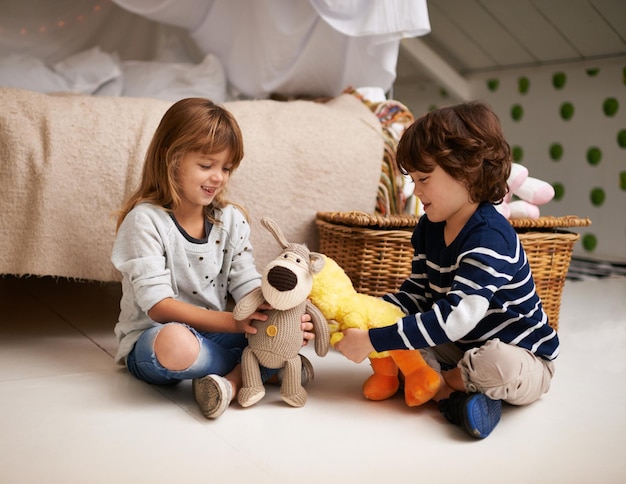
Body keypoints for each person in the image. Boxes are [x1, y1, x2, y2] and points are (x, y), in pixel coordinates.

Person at [335, 101, 559, 439]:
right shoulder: (429, 227)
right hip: (460, 347)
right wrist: (366, 314)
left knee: (497, 363)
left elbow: (457, 318)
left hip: (522, 357)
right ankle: (453, 395)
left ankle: (441, 389)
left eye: (424, 178)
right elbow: (416, 294)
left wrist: (372, 339)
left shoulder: (490, 236)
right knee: (402, 341)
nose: (415, 189)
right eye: (412, 179)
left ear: (466, 171)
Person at [111, 98, 315, 419]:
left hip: (218, 333)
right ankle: (259, 370)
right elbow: (158, 305)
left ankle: (231, 384)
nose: (218, 177)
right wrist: (237, 323)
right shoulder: (145, 221)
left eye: (226, 168)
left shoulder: (230, 219)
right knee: (177, 344)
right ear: (171, 160)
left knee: (280, 330)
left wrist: (278, 314)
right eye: (206, 165)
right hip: (155, 339)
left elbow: (246, 281)